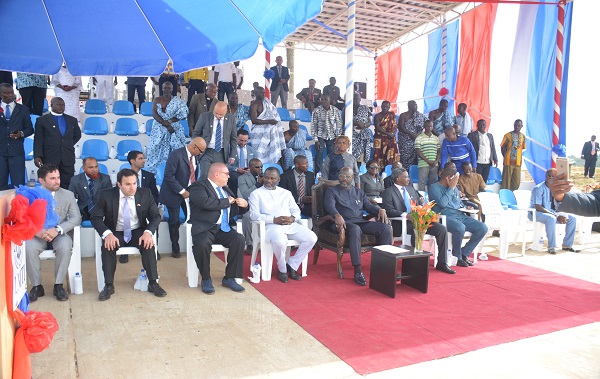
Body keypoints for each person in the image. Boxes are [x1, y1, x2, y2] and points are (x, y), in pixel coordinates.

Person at [91, 169, 166, 301]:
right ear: (119, 184)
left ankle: (153, 283)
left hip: (137, 230)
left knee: (148, 244)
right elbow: (95, 217)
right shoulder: (106, 195)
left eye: (134, 183)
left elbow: (155, 216)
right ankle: (108, 285)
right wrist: (107, 234)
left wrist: (148, 232)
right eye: (128, 184)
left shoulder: (145, 193)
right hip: (115, 232)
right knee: (108, 246)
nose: (132, 187)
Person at [324, 167, 392, 286]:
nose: (344, 179)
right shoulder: (332, 191)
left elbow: (369, 207)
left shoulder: (359, 192)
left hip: (359, 221)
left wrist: (379, 210)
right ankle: (358, 270)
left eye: (347, 177)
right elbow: (330, 206)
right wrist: (336, 215)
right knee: (355, 229)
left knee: (385, 228)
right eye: (341, 176)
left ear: (353, 178)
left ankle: (384, 267)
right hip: (340, 224)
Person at [249, 167, 317, 283]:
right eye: (266, 177)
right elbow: (254, 215)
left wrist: (293, 218)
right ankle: (282, 270)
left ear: (278, 179)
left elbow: (296, 210)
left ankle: (292, 265)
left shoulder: (286, 193)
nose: (269, 181)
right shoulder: (256, 194)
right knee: (281, 241)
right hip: (271, 226)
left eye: (272, 178)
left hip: (289, 225)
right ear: (262, 177)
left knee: (312, 238)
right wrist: (273, 220)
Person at [381, 168, 455, 274]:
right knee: (417, 230)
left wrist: (427, 210)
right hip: (403, 223)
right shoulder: (388, 192)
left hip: (419, 220)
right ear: (398, 179)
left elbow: (420, 203)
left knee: (441, 229)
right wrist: (406, 215)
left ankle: (442, 263)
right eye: (406, 177)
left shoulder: (410, 189)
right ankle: (415, 265)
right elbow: (389, 210)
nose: (409, 179)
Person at [189, 163, 247, 294]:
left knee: (238, 239)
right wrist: (227, 201)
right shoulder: (198, 186)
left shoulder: (225, 188)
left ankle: (229, 277)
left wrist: (244, 205)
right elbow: (205, 203)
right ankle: (206, 278)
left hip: (223, 228)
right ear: (217, 174)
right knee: (202, 244)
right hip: (205, 227)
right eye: (226, 174)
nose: (229, 176)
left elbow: (234, 208)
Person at [26, 164, 81, 302]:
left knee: (65, 246)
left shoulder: (67, 194)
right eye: (52, 178)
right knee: (28, 247)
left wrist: (58, 230)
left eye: (58, 177)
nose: (57, 181)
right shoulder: (31, 195)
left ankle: (58, 285)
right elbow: (24, 218)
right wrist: (36, 231)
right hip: (38, 233)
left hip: (59, 233)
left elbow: (76, 218)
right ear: (41, 181)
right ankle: (37, 286)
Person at [429, 163, 488, 267]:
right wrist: (450, 188)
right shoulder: (434, 187)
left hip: (459, 215)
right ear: (448, 178)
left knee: (482, 227)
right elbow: (442, 203)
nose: (456, 182)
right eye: (454, 179)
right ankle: (457, 257)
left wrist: (465, 207)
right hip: (444, 217)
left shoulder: (454, 187)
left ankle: (464, 253)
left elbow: (458, 202)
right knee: (460, 227)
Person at [158, 137, 207, 258]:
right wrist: (181, 191)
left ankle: (195, 246)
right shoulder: (176, 154)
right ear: (194, 146)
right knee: (174, 221)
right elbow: (169, 176)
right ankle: (175, 248)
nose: (201, 153)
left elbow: (194, 174)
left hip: (189, 192)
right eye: (200, 151)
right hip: (173, 193)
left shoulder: (196, 156)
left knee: (195, 218)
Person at [119, 150, 161, 263]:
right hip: (129, 208)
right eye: (140, 158)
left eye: (144, 158)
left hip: (146, 208)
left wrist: (151, 207)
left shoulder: (149, 176)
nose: (144, 161)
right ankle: (124, 252)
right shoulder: (123, 176)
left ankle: (154, 247)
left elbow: (155, 194)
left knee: (154, 220)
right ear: (132, 161)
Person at [33, 97, 81, 189]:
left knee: (67, 184)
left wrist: (67, 144)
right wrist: (37, 155)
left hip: (67, 157)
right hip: (50, 157)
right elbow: (38, 139)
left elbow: (77, 135)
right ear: (51, 105)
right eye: (59, 104)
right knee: (50, 184)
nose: (61, 107)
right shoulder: (42, 120)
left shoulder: (72, 120)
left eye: (63, 105)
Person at [528, 168, 579, 255]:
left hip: (552, 212)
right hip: (536, 213)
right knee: (551, 219)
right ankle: (552, 247)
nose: (551, 178)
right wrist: (556, 215)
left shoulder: (557, 189)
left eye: (553, 176)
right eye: (549, 176)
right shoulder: (538, 188)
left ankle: (567, 245)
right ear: (546, 176)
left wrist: (562, 214)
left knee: (572, 218)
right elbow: (538, 206)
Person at [146, 81, 188, 173]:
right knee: (155, 149)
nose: (167, 90)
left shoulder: (177, 101)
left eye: (169, 88)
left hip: (173, 127)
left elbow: (182, 114)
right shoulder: (157, 99)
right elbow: (154, 113)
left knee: (174, 150)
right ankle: (155, 173)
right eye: (165, 88)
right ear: (162, 88)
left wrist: (169, 122)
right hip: (158, 127)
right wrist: (164, 123)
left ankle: (173, 171)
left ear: (172, 89)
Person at [0, 83, 34, 190]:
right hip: (0, 152)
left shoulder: (23, 109)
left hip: (17, 153)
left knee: (18, 186)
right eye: (6, 93)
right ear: (0, 94)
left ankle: (19, 207)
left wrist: (21, 134)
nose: (10, 95)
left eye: (11, 92)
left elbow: (30, 129)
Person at [193, 101, 237, 177]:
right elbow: (196, 133)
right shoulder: (204, 117)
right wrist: (197, 150)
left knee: (219, 176)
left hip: (221, 153)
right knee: (205, 175)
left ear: (225, 112)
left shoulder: (231, 119)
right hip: (206, 151)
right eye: (216, 113)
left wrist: (232, 155)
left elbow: (233, 138)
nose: (217, 116)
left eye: (220, 114)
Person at [249, 86, 286, 165]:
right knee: (258, 154)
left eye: (264, 93)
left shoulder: (267, 103)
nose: (263, 95)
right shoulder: (254, 105)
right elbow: (254, 120)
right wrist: (269, 121)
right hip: (258, 133)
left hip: (269, 131)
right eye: (261, 93)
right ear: (256, 93)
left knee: (270, 152)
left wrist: (272, 122)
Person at [238, 158, 264, 253]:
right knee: (247, 216)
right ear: (250, 167)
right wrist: (258, 184)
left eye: (261, 167)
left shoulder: (266, 176)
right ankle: (249, 243)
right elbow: (246, 194)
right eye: (257, 167)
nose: (260, 169)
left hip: (264, 204)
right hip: (250, 205)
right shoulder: (242, 178)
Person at [311, 95, 342, 174]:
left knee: (331, 155)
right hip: (320, 135)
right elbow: (313, 125)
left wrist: (338, 136)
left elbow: (339, 124)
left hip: (332, 136)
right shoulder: (316, 111)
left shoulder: (335, 110)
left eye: (326, 99)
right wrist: (315, 140)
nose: (324, 101)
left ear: (330, 100)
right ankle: (318, 174)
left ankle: (330, 172)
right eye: (322, 99)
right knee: (319, 155)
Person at [467, 119, 498, 183]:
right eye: (480, 124)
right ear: (477, 125)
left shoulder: (489, 135)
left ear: (486, 125)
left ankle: (482, 193)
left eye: (483, 124)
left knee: (484, 182)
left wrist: (496, 159)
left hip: (487, 163)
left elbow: (493, 148)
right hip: (477, 163)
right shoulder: (472, 135)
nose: (482, 126)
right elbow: (468, 149)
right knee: (476, 182)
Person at [227, 129, 256, 197]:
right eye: (241, 140)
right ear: (236, 138)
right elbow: (224, 165)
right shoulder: (229, 149)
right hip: (235, 172)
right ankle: (234, 197)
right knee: (234, 178)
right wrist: (236, 169)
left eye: (245, 141)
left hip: (248, 172)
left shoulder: (251, 150)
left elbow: (256, 163)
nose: (243, 143)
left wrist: (251, 169)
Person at [500, 119, 527, 191]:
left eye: (519, 125)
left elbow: (523, 148)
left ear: (521, 126)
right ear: (513, 125)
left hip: (518, 162)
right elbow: (502, 146)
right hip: (508, 162)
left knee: (516, 183)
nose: (517, 127)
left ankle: (511, 194)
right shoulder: (508, 135)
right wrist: (505, 156)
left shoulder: (523, 137)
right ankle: (505, 197)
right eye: (515, 125)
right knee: (506, 182)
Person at [397, 100, 425, 169]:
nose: (416, 106)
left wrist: (417, 135)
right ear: (409, 106)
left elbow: (423, 127)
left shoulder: (420, 116)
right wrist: (411, 134)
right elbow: (400, 127)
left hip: (416, 140)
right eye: (414, 105)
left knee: (416, 158)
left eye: (416, 105)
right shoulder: (403, 115)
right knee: (405, 158)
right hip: (405, 141)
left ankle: (413, 175)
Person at [414, 120, 440, 191]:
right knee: (422, 183)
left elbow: (438, 151)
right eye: (427, 126)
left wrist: (436, 161)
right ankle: (422, 200)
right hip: (423, 164)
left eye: (431, 126)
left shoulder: (436, 138)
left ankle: (431, 201)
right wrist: (427, 161)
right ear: (424, 127)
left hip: (434, 164)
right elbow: (418, 152)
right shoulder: (419, 138)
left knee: (432, 183)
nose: (429, 128)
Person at [373, 100, 399, 168]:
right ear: (381, 106)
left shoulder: (392, 115)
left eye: (387, 107)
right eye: (384, 106)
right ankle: (379, 173)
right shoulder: (377, 116)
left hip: (391, 138)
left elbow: (395, 126)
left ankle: (391, 171)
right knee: (379, 156)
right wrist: (388, 134)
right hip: (380, 138)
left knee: (391, 156)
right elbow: (378, 128)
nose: (385, 108)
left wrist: (393, 134)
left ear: (389, 107)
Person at [348, 93, 372, 166]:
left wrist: (364, 125)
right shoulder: (347, 108)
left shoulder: (365, 108)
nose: (356, 101)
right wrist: (355, 123)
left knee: (359, 159)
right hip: (351, 135)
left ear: (360, 100)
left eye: (357, 99)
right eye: (354, 99)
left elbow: (370, 121)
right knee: (349, 158)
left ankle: (356, 173)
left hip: (362, 135)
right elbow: (344, 121)